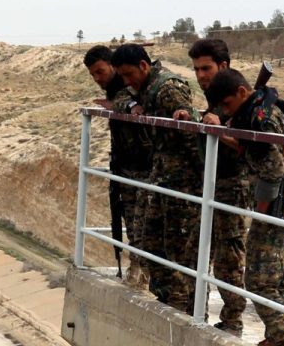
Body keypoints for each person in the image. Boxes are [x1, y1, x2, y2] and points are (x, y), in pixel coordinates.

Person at [204, 68, 284, 346]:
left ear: (241, 92)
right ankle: (278, 338)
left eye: (227, 105)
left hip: (277, 200)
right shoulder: (258, 108)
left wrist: (262, 209)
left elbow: (274, 170)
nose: (226, 111)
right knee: (280, 275)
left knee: (260, 278)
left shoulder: (261, 118)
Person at [113, 43, 203, 313]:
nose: (128, 82)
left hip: (182, 181)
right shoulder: (146, 88)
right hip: (162, 175)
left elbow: (191, 132)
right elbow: (119, 98)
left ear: (144, 66)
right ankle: (168, 299)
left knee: (179, 247)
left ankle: (185, 305)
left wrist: (198, 181)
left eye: (130, 75)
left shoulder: (167, 88)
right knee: (151, 242)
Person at [85, 45, 152, 284]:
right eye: (93, 74)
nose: (97, 79)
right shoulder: (120, 90)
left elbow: (128, 100)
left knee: (143, 222)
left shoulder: (132, 86)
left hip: (145, 166)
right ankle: (138, 268)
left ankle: (144, 270)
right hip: (125, 165)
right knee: (131, 220)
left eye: (100, 71)